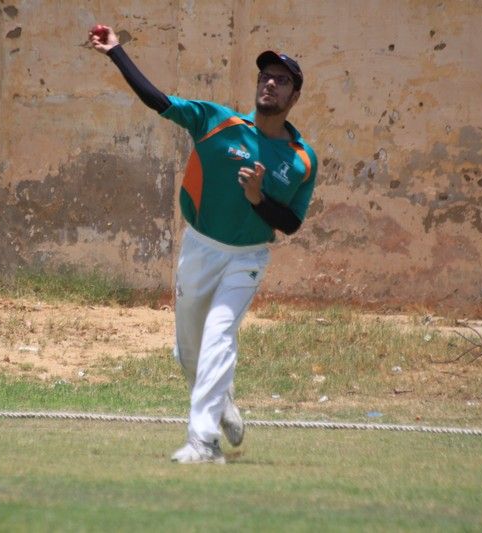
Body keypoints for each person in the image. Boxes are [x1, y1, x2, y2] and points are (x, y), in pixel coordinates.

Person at [90, 25, 317, 464]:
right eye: (265, 76)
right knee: (188, 352)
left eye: (282, 80)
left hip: (246, 258)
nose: (270, 83)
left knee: (219, 334)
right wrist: (115, 51)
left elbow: (290, 224)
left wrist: (258, 198)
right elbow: (158, 100)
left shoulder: (301, 158)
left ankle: (203, 442)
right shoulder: (218, 123)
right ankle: (222, 401)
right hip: (199, 248)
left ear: (294, 96)